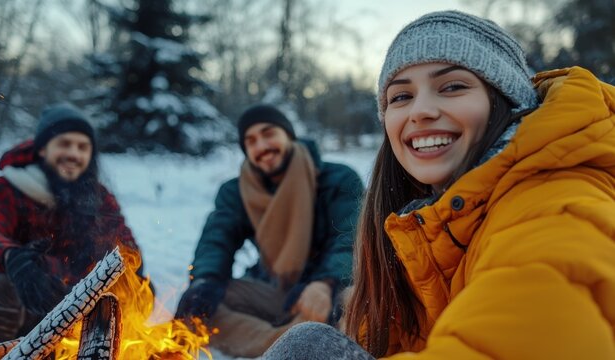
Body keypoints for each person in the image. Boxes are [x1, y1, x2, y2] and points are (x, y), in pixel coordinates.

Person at [264, 10, 615, 360]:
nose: (421, 111)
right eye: (401, 97)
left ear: (508, 101)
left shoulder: (555, 207)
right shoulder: (427, 217)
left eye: (452, 87)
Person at [174, 104, 364, 357]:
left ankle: (301, 340)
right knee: (200, 307)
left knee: (354, 307)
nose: (261, 146)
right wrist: (205, 280)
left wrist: (325, 283)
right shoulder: (237, 191)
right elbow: (217, 238)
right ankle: (294, 344)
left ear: (288, 134)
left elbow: (349, 239)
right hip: (273, 288)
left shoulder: (338, 178)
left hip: (324, 291)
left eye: (268, 133)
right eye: (251, 141)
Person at [0, 103, 146, 348]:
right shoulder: (5, 188)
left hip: (70, 309)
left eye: (83, 147)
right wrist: (12, 257)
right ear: (42, 149)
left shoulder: (98, 197)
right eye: (64, 144)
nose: (74, 154)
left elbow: (126, 246)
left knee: (123, 292)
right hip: (17, 308)